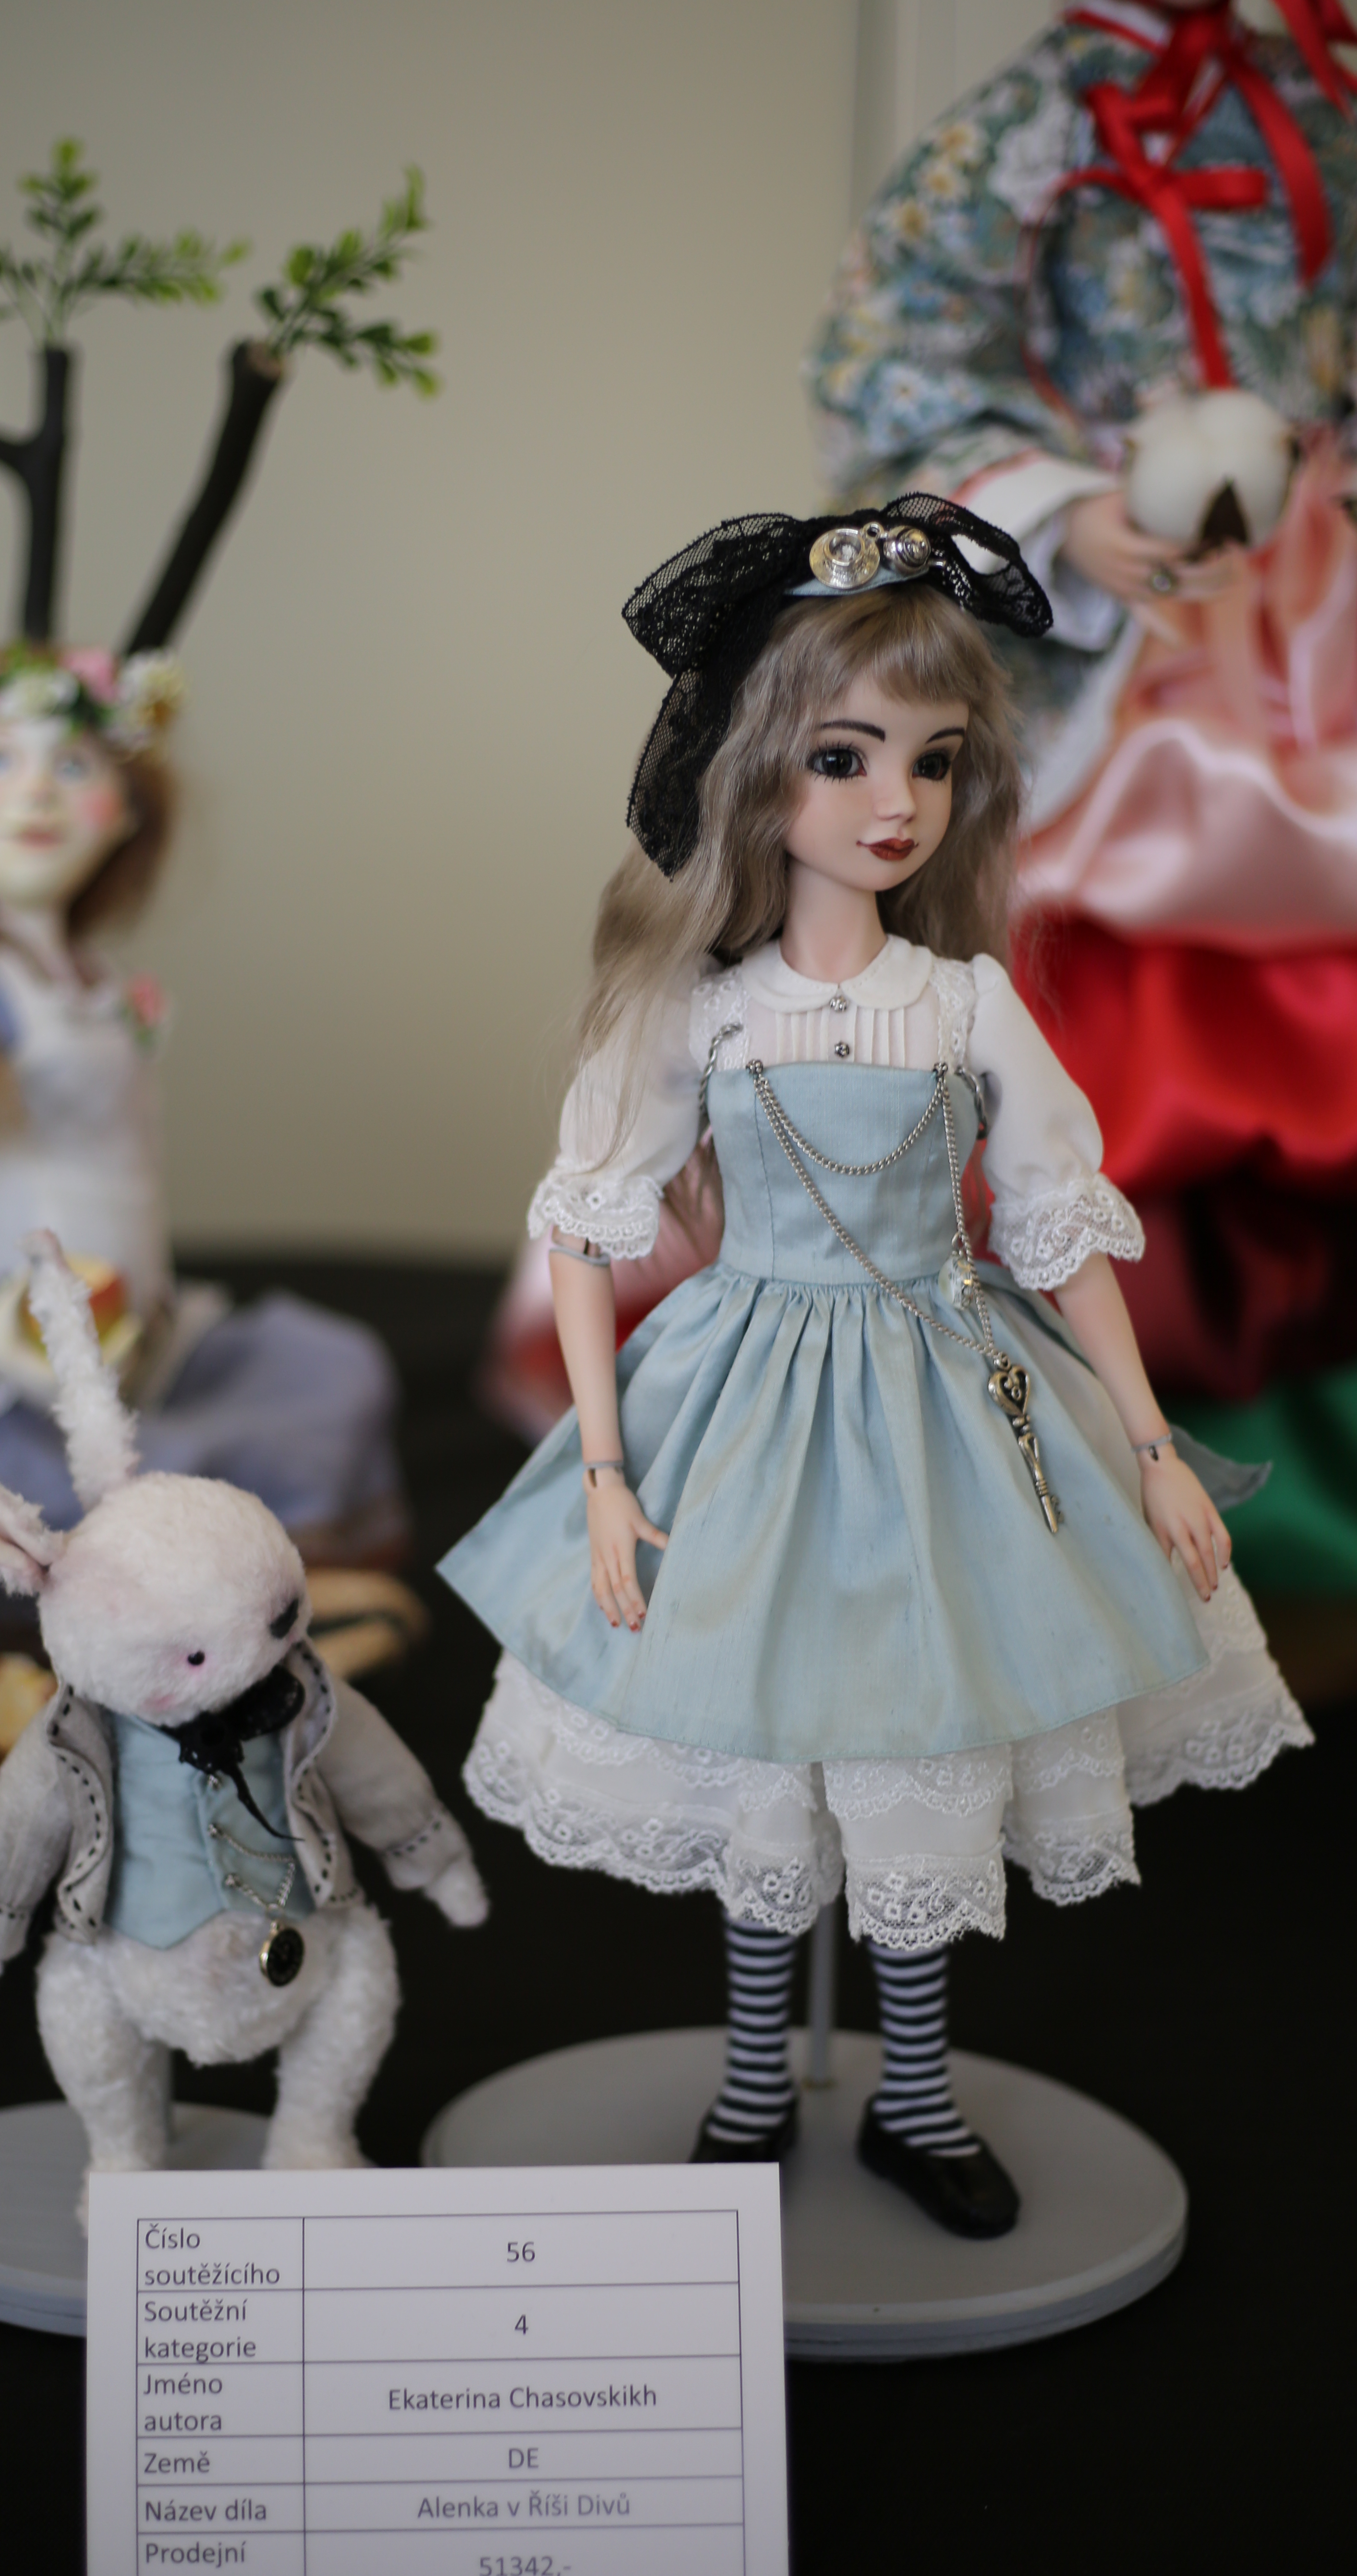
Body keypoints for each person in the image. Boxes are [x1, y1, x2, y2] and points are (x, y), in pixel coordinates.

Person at [441, 498, 1309, 2235]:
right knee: (765, 1754)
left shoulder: (968, 1004)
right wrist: (604, 1472)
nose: (894, 801)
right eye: (843, 759)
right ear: (754, 770)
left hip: (945, 1399)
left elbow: (1057, 1227)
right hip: (741, 1408)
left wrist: (1151, 1447)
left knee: (926, 1750)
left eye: (931, 759)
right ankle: (754, 2082)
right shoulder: (704, 1009)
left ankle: (915, 2095)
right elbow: (589, 1232)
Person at [805, 0, 1357, 1619]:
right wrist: (1066, 513)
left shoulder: (1330, 118)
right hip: (1119, 620)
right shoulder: (1030, 127)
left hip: (1327, 628)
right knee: (1091, 1058)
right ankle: (1059, 1497)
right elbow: (896, 357)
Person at [0, 642, 406, 1612]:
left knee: (334, 1369)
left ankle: (266, 1584)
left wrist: (151, 1306)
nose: (36, 793)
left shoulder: (112, 995)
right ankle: (190, 1606)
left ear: (129, 810)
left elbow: (132, 1169)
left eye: (73, 766)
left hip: (132, 1354)